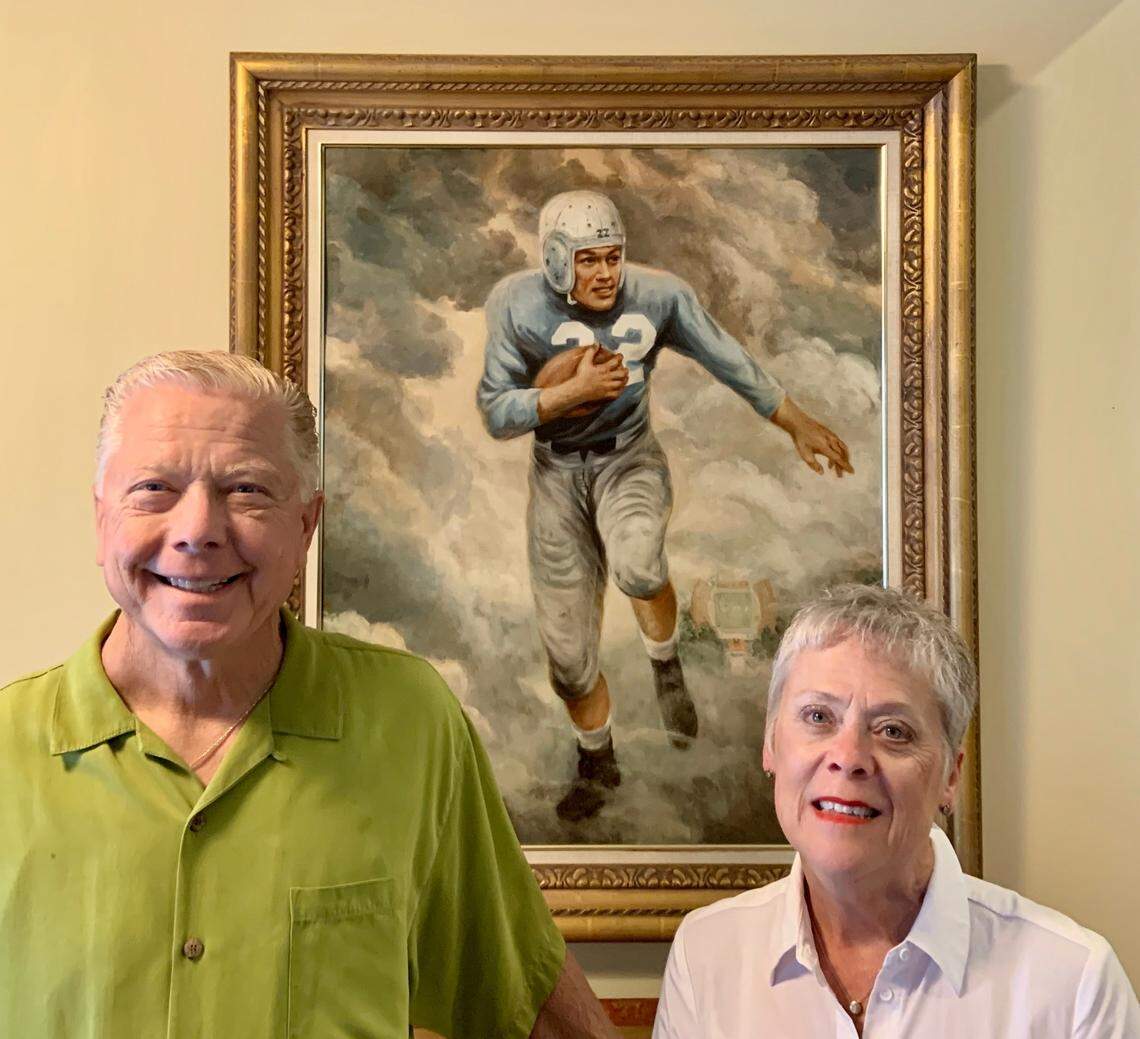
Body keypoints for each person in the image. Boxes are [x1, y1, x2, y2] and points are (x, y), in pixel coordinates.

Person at [0, 351, 620, 1039]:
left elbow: (524, 1002)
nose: (198, 528)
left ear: (305, 525)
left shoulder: (410, 722)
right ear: (100, 520)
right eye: (154, 488)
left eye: (247, 490)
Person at [477, 190, 854, 823]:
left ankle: (665, 661)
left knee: (639, 567)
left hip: (630, 460)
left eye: (613, 258)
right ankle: (597, 759)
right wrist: (568, 394)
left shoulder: (660, 296)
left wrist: (795, 422)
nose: (605, 273)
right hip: (556, 477)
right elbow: (494, 410)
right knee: (569, 661)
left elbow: (725, 356)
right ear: (557, 261)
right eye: (589, 260)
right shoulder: (515, 305)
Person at [653, 584, 1139, 1037]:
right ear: (770, 744)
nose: (849, 758)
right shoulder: (706, 955)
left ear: (951, 775)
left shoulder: (1074, 984)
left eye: (893, 731)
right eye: (818, 717)